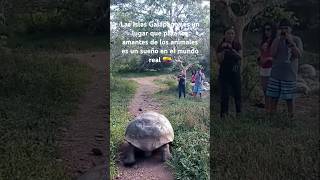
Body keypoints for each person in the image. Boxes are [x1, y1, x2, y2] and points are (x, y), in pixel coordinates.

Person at [266, 19, 303, 117]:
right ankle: (272, 117)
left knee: (289, 98)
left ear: (291, 29)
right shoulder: (277, 39)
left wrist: (291, 42)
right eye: (281, 28)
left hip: (290, 75)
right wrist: (278, 40)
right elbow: (272, 53)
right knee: (273, 97)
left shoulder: (296, 39)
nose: (284, 30)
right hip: (276, 73)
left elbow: (298, 55)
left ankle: (291, 117)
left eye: (286, 28)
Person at [216, 26, 242, 118]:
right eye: (228, 33)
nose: (230, 35)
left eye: (232, 33)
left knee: (237, 93)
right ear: (224, 35)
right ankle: (224, 114)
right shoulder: (220, 45)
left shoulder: (237, 44)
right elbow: (219, 60)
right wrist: (223, 51)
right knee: (224, 94)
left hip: (235, 71)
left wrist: (232, 50)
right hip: (224, 72)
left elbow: (240, 57)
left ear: (234, 35)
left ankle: (239, 113)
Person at [257, 22, 276, 110]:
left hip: (271, 68)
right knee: (265, 90)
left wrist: (268, 59)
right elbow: (261, 54)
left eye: (269, 29)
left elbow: (277, 56)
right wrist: (260, 59)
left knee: (271, 91)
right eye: (265, 29)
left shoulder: (276, 41)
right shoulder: (263, 41)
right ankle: (267, 110)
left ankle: (271, 110)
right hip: (263, 67)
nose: (266, 32)